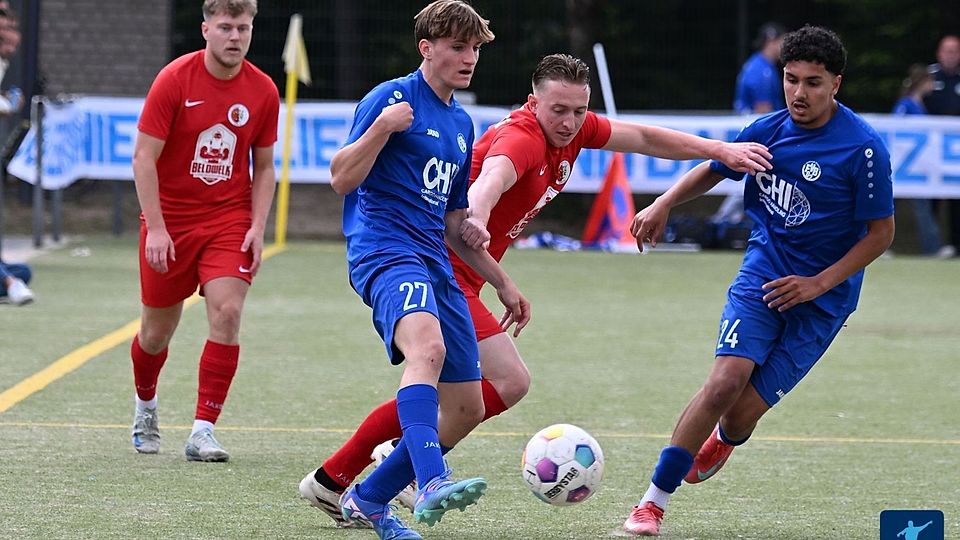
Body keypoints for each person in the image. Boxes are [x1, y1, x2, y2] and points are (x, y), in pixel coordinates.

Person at [299, 52, 773, 529]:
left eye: (579, 111)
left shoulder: (574, 128)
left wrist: (718, 150)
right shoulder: (523, 138)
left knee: (499, 386)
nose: (570, 123)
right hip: (442, 266)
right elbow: (491, 179)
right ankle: (387, 471)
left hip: (466, 272)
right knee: (481, 380)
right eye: (558, 111)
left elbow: (644, 137)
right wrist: (479, 217)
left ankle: (340, 477)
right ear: (534, 102)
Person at [622, 25, 895, 536]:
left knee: (742, 414)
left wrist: (817, 284)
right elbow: (718, 166)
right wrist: (662, 203)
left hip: (824, 301)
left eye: (813, 82)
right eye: (791, 80)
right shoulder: (770, 129)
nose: (799, 93)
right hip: (765, 275)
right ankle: (652, 502)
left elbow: (881, 234)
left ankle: (726, 438)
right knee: (724, 382)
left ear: (836, 83)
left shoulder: (863, 149)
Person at [310, 3, 524, 539]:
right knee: (426, 350)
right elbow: (340, 177)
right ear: (426, 48)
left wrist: (501, 280)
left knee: (468, 405)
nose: (468, 57)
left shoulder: (461, 122)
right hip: (385, 251)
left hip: (434, 257)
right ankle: (430, 482)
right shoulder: (391, 99)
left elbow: (454, 223)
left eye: (474, 48)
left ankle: (370, 499)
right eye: (457, 46)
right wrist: (382, 128)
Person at [129, 0, 278, 463]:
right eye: (227, 27)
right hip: (169, 224)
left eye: (244, 28)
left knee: (228, 312)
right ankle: (146, 406)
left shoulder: (263, 90)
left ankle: (203, 430)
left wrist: (256, 226)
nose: (236, 37)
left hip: (227, 221)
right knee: (156, 333)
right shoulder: (175, 79)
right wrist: (155, 227)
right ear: (206, 29)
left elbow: (266, 166)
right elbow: (143, 158)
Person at [715, 22, 787, 226]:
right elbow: (763, 110)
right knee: (751, 177)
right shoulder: (761, 70)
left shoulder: (759, 66)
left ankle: (726, 222)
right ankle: (722, 222)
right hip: (761, 133)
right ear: (772, 41)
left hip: (753, 130)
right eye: (782, 41)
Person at [893, 64, 947, 257]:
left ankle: (932, 247)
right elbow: (896, 129)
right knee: (886, 207)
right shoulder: (906, 104)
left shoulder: (919, 104)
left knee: (922, 207)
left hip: (916, 168)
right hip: (901, 167)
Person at [924, 35, 960, 257]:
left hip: (956, 150)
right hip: (930, 148)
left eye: (955, 51)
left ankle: (956, 244)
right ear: (939, 53)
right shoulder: (928, 76)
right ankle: (932, 244)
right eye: (947, 50)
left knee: (957, 197)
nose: (950, 55)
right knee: (931, 199)